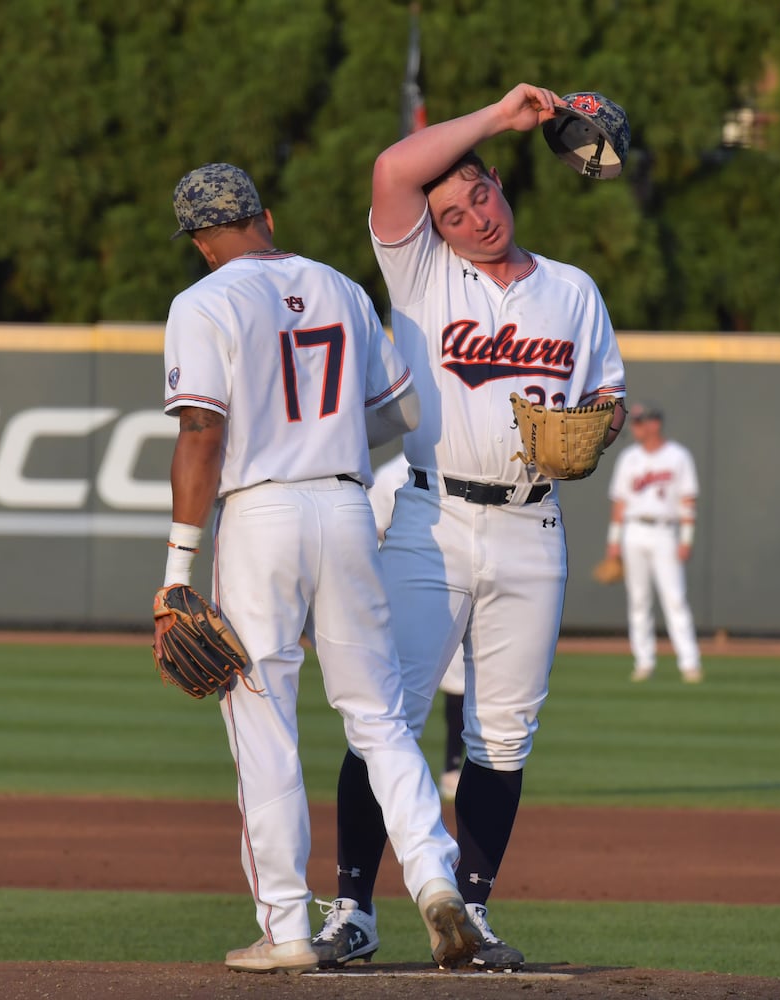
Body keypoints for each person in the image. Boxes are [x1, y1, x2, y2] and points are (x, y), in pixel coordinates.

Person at [315, 84, 627, 972]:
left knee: (504, 735)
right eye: (451, 213)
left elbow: (608, 392)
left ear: (500, 187)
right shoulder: (421, 272)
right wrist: (500, 115)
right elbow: (390, 168)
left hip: (534, 526)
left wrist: (597, 429)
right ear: (436, 228)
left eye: (479, 196)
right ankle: (352, 909)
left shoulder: (572, 291)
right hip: (433, 515)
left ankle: (474, 912)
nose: (473, 219)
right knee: (388, 718)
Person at [160, 162, 478, 974]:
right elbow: (401, 410)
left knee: (263, 718)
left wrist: (176, 569)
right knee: (378, 716)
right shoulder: (339, 284)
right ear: (265, 215)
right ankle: (437, 883)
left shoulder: (203, 302)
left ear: (200, 240)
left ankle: (288, 929)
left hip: (260, 513)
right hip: (343, 505)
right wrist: (325, 442)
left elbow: (200, 429)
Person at [366, 451, 466, 802]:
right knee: (397, 693)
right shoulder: (390, 474)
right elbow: (370, 531)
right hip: (401, 585)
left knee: (458, 683)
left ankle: (453, 766)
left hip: (453, 585)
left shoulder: (457, 464)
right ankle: (391, 775)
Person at [603, 404, 703, 684]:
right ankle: (644, 662)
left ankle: (689, 663)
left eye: (640, 422)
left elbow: (688, 500)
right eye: (634, 422)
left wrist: (686, 539)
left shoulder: (678, 456)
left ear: (655, 424)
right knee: (638, 600)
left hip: (665, 531)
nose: (635, 427)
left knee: (675, 598)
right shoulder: (629, 458)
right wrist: (613, 541)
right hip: (633, 531)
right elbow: (620, 503)